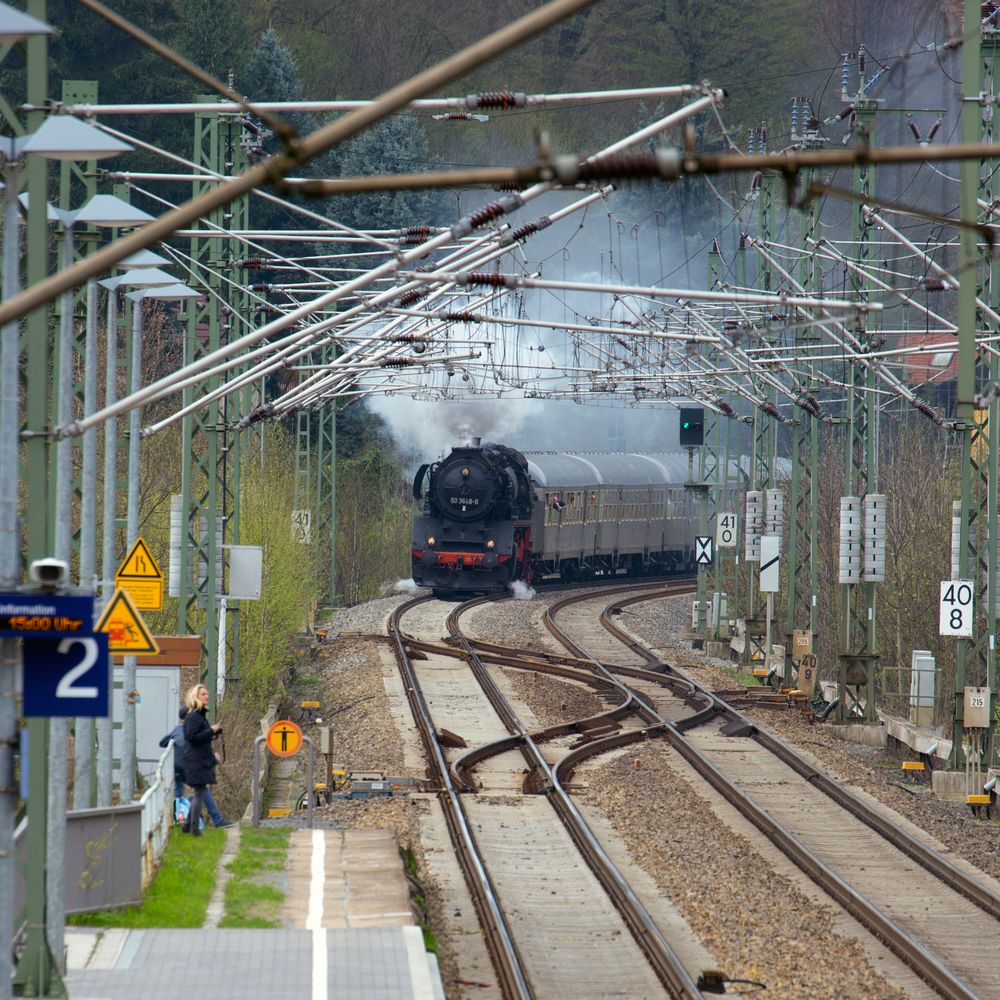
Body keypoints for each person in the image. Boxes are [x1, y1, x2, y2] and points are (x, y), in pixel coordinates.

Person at [159, 705, 231, 828]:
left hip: (177, 768)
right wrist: (214, 759)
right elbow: (199, 750)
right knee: (202, 790)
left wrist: (172, 741)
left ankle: (180, 819)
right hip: (190, 766)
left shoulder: (177, 730)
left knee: (178, 792)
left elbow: (162, 743)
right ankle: (216, 819)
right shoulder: (194, 730)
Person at [181, 684, 231, 835]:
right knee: (199, 792)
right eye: (203, 694)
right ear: (196, 697)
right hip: (196, 760)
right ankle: (194, 828)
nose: (206, 696)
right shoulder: (193, 716)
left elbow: (200, 737)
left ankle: (187, 825)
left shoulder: (198, 715)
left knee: (200, 791)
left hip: (199, 759)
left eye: (206, 694)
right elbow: (191, 737)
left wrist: (213, 733)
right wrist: (211, 730)